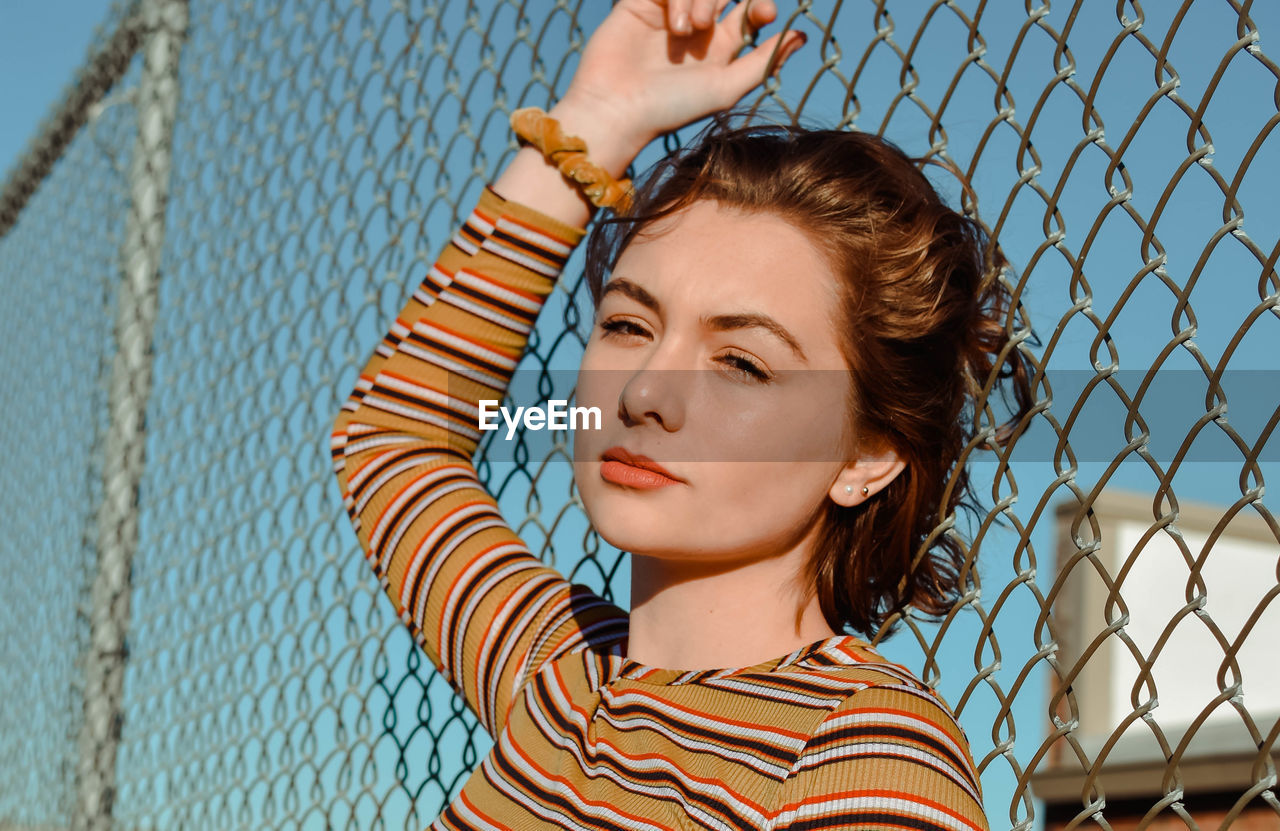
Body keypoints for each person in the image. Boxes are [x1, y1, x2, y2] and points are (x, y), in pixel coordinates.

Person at [330, 0, 1032, 827]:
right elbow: (391, 437)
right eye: (628, 324)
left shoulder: (864, 757)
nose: (643, 395)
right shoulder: (560, 675)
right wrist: (594, 123)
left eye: (741, 362)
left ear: (868, 454)